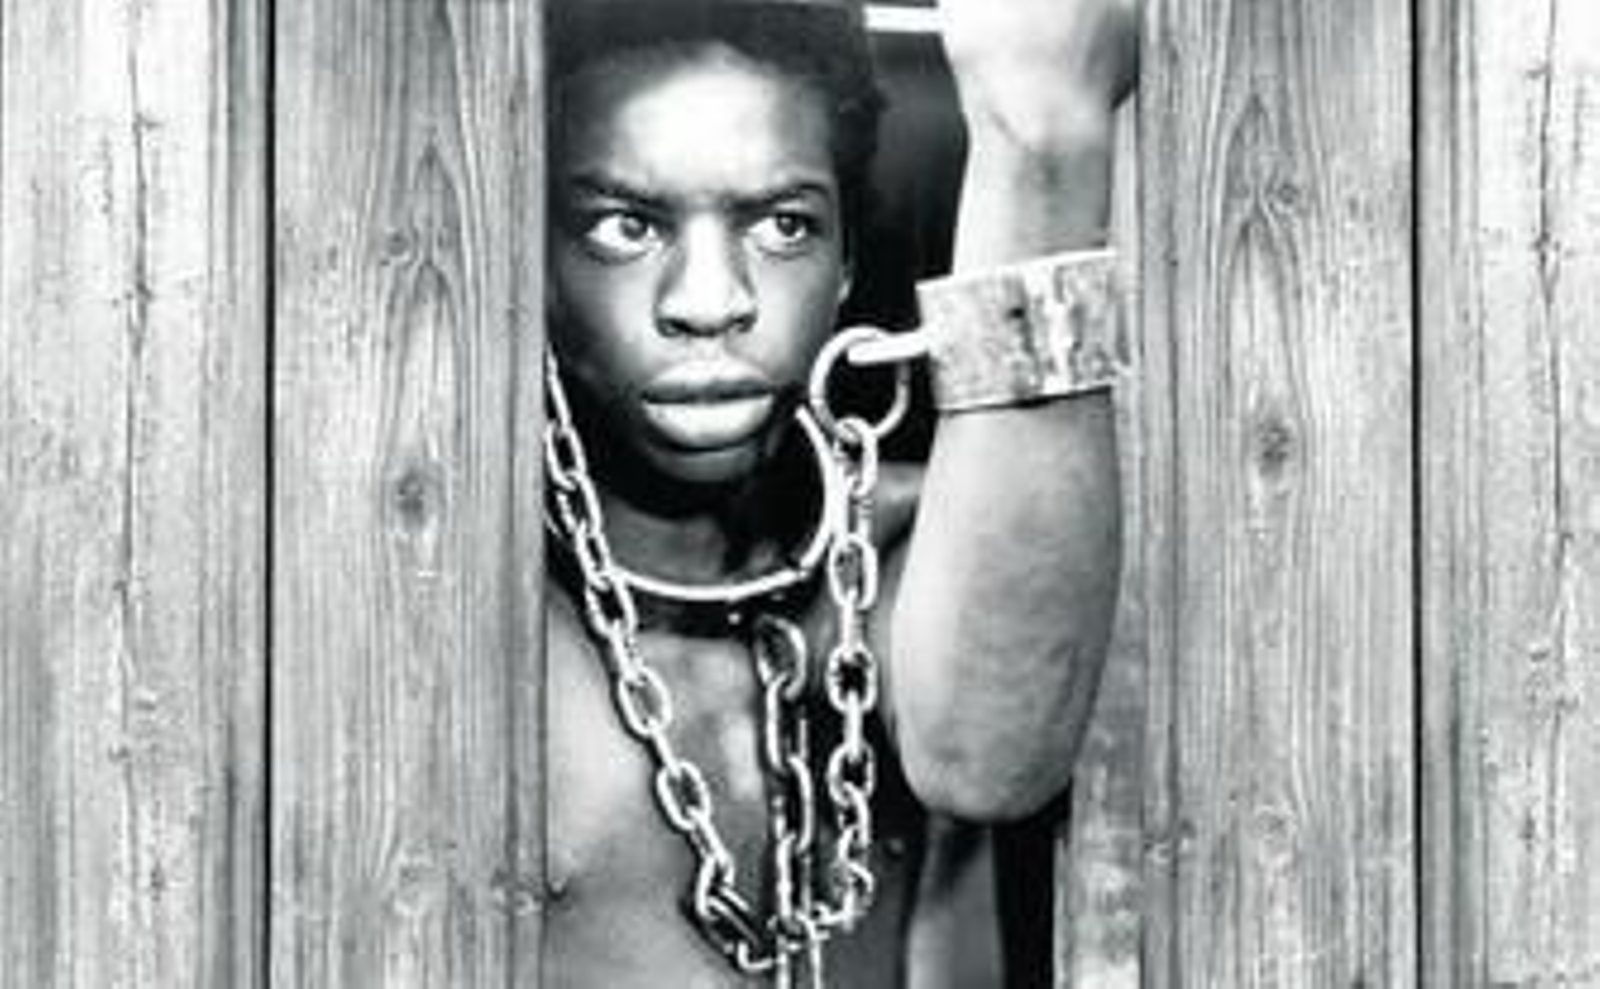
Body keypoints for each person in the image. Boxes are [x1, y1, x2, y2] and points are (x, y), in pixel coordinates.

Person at [541, 0, 1137, 985]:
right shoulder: (460, 597)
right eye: (624, 226)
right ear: (535, 267)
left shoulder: (903, 549)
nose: (709, 301)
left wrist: (1040, 137)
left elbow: (988, 757)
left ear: (847, 260)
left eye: (784, 226)